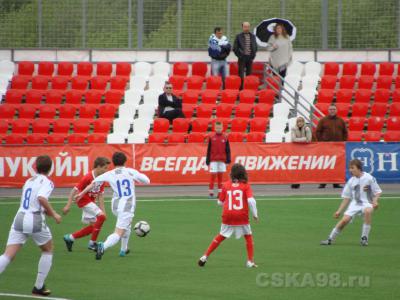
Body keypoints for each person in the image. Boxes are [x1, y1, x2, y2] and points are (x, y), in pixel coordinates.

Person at [0, 155, 61, 296]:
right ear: (51, 168)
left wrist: (45, 210)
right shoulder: (47, 182)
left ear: (35, 167)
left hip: (20, 217)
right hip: (33, 218)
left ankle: (39, 287)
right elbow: (41, 198)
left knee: (8, 255)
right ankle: (38, 287)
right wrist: (54, 214)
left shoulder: (29, 180)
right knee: (48, 249)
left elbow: (31, 201)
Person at [75, 152, 150, 260]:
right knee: (118, 232)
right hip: (127, 205)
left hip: (115, 205)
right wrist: (136, 177)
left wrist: (81, 194)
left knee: (127, 225)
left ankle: (123, 250)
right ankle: (103, 246)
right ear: (125, 161)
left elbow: (93, 183)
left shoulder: (109, 173)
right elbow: (147, 181)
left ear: (113, 163)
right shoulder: (130, 171)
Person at [198, 163, 259, 268]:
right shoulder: (246, 186)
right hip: (241, 215)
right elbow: (251, 201)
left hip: (228, 215)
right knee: (248, 236)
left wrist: (226, 201)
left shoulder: (226, 185)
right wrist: (255, 214)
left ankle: (205, 256)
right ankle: (250, 261)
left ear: (232, 174)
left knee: (221, 235)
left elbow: (219, 203)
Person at [320, 159, 382, 246]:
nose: (351, 170)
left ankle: (364, 238)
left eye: (353, 168)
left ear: (359, 168)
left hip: (367, 203)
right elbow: (346, 198)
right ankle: (330, 239)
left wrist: (375, 201)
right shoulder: (351, 181)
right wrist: (339, 211)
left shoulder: (369, 178)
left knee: (367, 211)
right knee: (344, 221)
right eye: (350, 168)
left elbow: (378, 191)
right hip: (355, 204)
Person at [62, 157, 110, 252]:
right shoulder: (88, 177)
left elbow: (100, 195)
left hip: (91, 202)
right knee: (101, 218)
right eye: (105, 168)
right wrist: (68, 205)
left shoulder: (102, 179)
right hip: (83, 201)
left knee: (93, 227)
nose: (106, 170)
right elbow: (74, 191)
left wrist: (103, 211)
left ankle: (70, 238)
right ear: (98, 167)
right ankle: (92, 244)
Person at [316, 104, 348, 189]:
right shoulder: (323, 120)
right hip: (326, 146)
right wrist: (322, 142)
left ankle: (336, 183)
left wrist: (343, 142)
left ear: (336, 110)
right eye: (330, 109)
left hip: (337, 146)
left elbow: (345, 132)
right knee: (325, 164)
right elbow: (318, 132)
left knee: (337, 165)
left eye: (333, 109)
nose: (332, 111)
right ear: (328, 110)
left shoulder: (340, 120)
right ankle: (323, 183)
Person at [206, 121, 231, 198]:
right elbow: (209, 149)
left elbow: (228, 150)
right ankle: (211, 192)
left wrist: (228, 160)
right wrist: (207, 160)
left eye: (220, 128)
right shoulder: (211, 137)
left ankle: (220, 193)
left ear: (222, 128)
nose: (218, 129)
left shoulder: (225, 137)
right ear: (214, 128)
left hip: (222, 160)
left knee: (220, 178)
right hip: (213, 160)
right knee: (212, 176)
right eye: (217, 128)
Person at [233, 22, 258, 89]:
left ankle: (248, 89)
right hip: (242, 58)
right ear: (242, 27)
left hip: (250, 58)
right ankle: (241, 90)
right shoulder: (238, 36)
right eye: (245, 26)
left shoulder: (253, 36)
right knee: (241, 74)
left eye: (248, 26)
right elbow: (235, 48)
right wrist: (240, 56)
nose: (246, 28)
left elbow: (255, 46)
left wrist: (253, 55)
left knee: (249, 75)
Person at [290, 116, 312, 189]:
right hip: (295, 150)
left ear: (303, 122)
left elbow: (309, 140)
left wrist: (299, 140)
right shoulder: (293, 128)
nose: (299, 123)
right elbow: (293, 139)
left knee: (303, 166)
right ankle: (295, 182)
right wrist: (304, 139)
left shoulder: (307, 129)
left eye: (301, 121)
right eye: (298, 121)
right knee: (295, 167)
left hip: (305, 150)